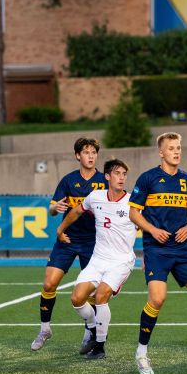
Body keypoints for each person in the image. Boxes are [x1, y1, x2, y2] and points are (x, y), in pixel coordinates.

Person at [129, 132, 187, 374]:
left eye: (178, 147)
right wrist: (151, 229)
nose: (176, 151)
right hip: (156, 249)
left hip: (182, 249)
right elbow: (134, 214)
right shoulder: (148, 178)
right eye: (171, 148)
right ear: (161, 152)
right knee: (157, 299)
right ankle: (141, 353)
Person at [32, 138, 107, 352]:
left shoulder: (104, 181)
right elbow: (52, 209)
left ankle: (89, 331)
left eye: (94, 152)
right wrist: (56, 207)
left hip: (94, 242)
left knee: (90, 291)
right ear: (78, 156)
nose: (91, 156)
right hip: (67, 239)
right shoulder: (68, 180)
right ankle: (45, 329)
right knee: (49, 284)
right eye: (86, 152)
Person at [59, 159, 136, 360]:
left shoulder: (132, 202)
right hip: (98, 258)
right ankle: (93, 329)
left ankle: (100, 346)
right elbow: (76, 210)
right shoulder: (95, 196)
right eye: (117, 173)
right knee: (77, 299)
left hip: (121, 261)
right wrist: (61, 229)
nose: (121, 177)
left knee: (101, 295)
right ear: (107, 177)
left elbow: (146, 225)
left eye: (124, 174)